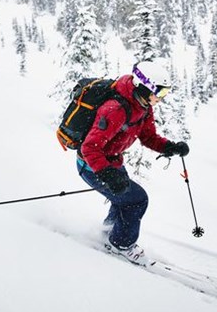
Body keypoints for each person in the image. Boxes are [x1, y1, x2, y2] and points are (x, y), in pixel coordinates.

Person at [76, 61, 190, 265]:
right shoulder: (115, 109)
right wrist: (107, 174)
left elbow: (148, 137)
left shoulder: (143, 106)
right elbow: (89, 147)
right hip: (92, 165)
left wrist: (170, 147)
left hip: (113, 161)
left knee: (123, 200)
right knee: (137, 200)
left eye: (164, 93)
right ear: (145, 87)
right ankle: (121, 245)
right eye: (160, 93)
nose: (161, 99)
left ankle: (109, 234)